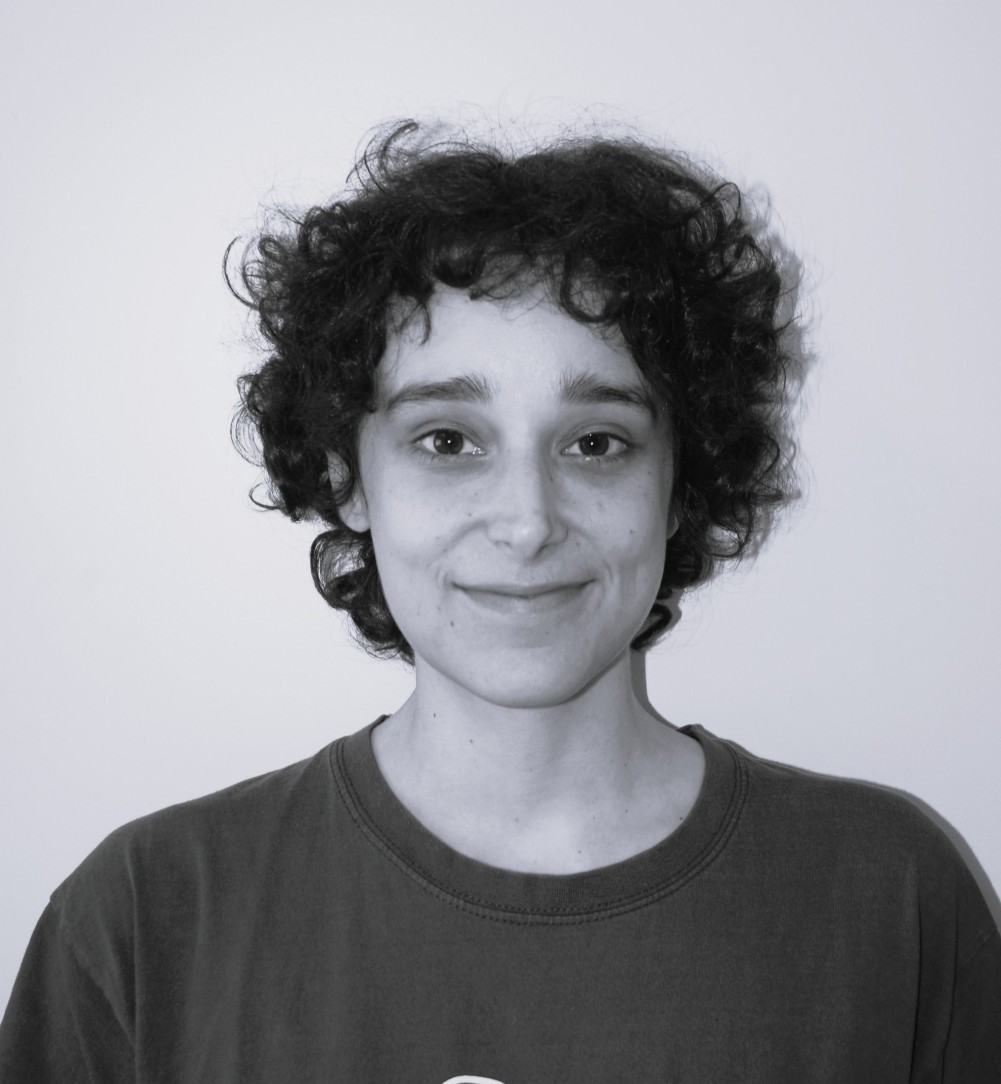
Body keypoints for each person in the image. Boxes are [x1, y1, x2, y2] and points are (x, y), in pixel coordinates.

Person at [1, 119, 999, 1083]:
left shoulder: (891, 898)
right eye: (446, 440)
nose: (526, 522)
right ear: (348, 475)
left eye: (596, 443)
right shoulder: (145, 921)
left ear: (678, 483)